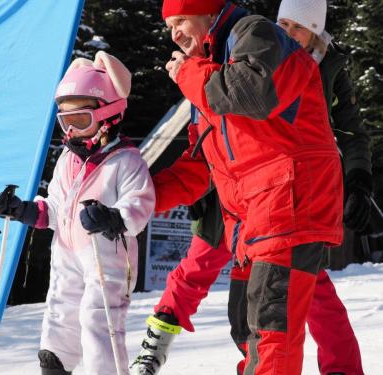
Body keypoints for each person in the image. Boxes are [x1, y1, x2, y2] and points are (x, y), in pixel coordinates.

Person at [130, 0, 347, 374]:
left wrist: (188, 75)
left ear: (208, 13)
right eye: (168, 27)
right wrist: (135, 201)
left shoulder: (255, 33)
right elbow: (201, 165)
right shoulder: (211, 72)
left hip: (288, 204)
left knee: (269, 328)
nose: (175, 33)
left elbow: (252, 93)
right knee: (246, 327)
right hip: (252, 220)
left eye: (181, 20)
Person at [0, 51, 155, 375]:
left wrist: (114, 217)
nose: (71, 130)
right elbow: (55, 207)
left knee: (97, 318)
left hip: (107, 256)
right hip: (67, 251)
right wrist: (24, 210)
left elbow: (141, 203)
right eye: (65, 121)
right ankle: (56, 366)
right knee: (60, 310)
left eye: (80, 120)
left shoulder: (126, 161)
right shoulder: (68, 161)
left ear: (108, 115)